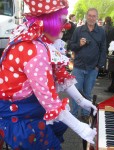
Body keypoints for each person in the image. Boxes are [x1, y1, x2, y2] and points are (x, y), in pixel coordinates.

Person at [0, 0, 97, 149]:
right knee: (50, 141)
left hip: (28, 105)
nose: (65, 28)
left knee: (58, 124)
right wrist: (80, 128)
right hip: (17, 114)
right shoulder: (34, 49)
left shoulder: (34, 35)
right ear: (49, 21)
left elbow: (59, 74)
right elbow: (49, 100)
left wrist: (81, 101)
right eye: (62, 21)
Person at [69, 8, 106, 119]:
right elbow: (71, 46)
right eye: (89, 15)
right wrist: (79, 44)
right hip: (78, 67)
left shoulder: (101, 32)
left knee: (87, 93)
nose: (91, 18)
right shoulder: (79, 30)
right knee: (75, 92)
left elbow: (103, 49)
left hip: (92, 69)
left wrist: (99, 66)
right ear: (86, 16)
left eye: (94, 16)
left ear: (97, 17)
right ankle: (74, 115)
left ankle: (85, 115)